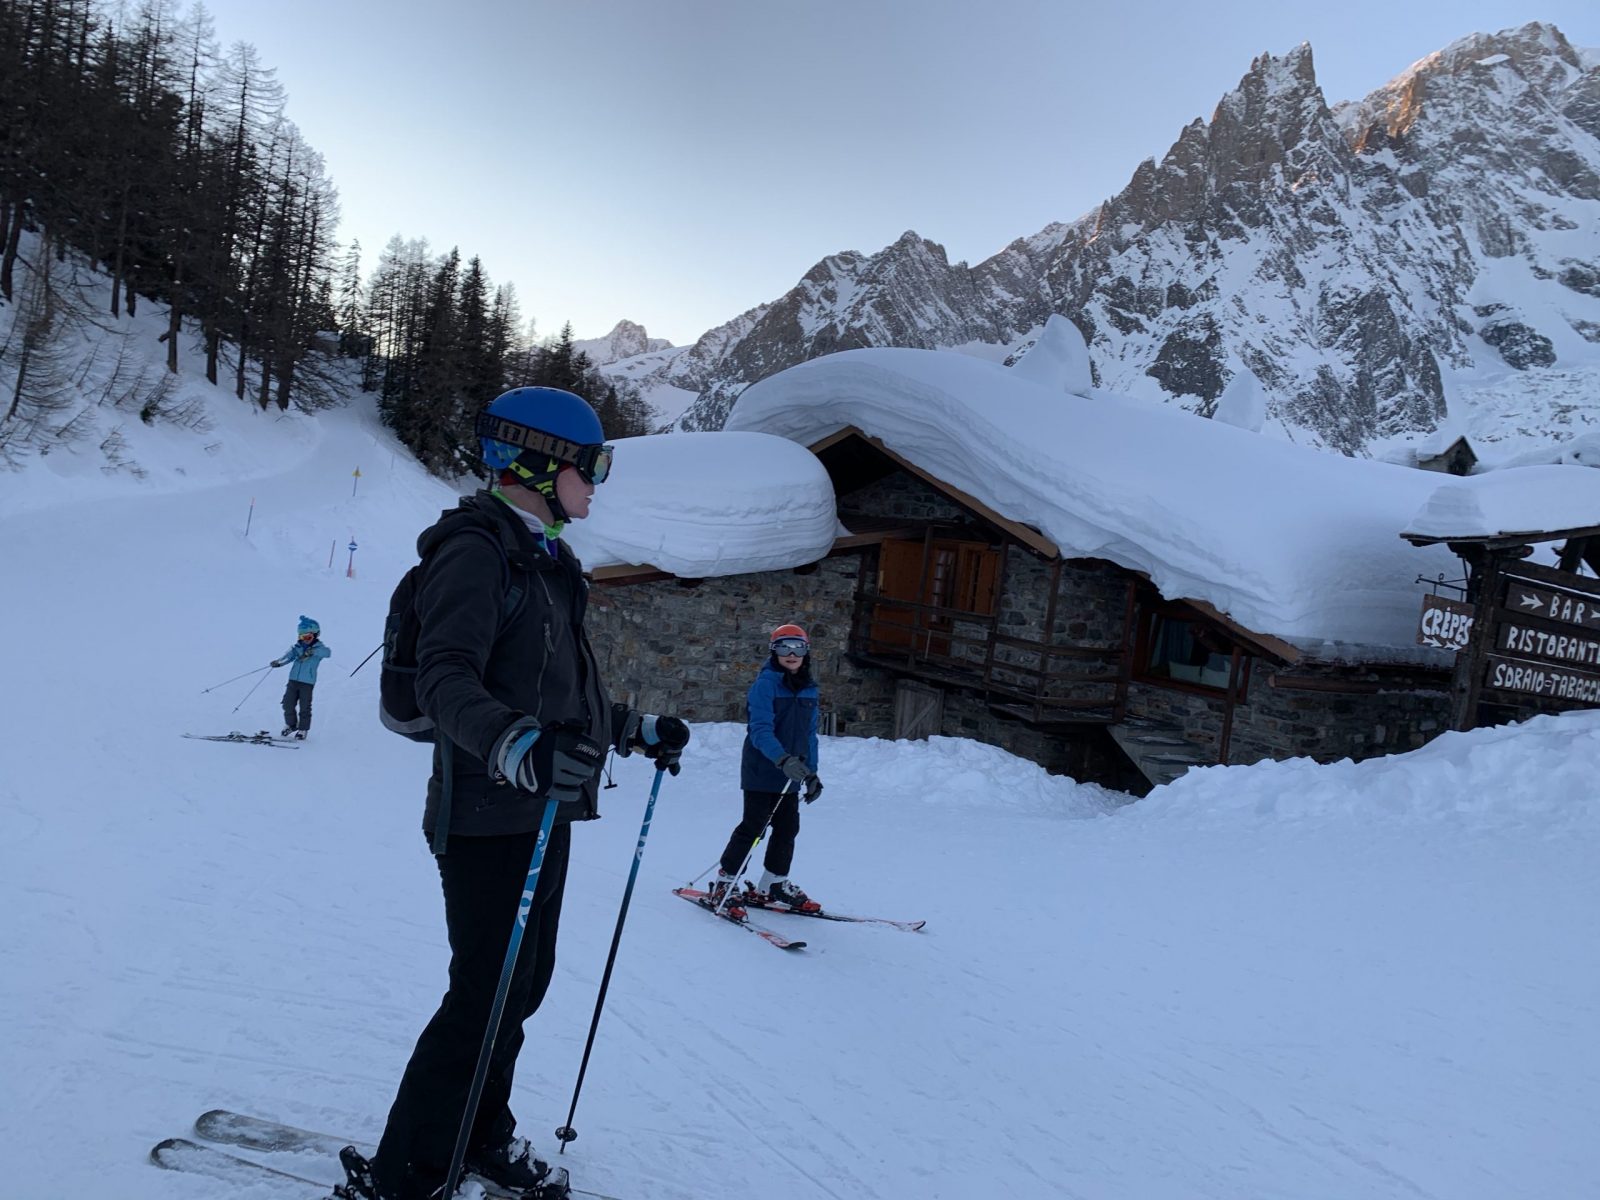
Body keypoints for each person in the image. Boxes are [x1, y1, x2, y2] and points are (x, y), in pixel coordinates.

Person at [342, 387, 690, 1200]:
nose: (598, 483)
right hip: (485, 810)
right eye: (592, 465)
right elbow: (443, 678)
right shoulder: (476, 551)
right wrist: (514, 745)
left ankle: (480, 1135)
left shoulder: (546, 558)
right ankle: (407, 1174)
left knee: (519, 989)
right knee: (482, 995)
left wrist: (630, 729)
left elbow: (558, 692)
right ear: (539, 463)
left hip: (541, 808)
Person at [711, 623, 824, 915]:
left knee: (788, 827)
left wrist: (811, 773)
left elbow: (810, 734)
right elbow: (760, 730)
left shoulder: (809, 687)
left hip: (794, 772)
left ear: (806, 652)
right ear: (774, 652)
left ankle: (773, 882)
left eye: (797, 647)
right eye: (784, 647)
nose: (791, 654)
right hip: (763, 768)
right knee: (754, 826)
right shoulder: (766, 684)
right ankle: (725, 881)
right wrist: (783, 760)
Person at [271, 616, 330, 739]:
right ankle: (291, 725)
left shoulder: (319, 648)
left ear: (315, 635)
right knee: (287, 703)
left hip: (307, 683)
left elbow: (327, 652)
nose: (304, 640)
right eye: (301, 637)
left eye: (308, 637)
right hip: (293, 680)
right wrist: (279, 662)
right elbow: (288, 657)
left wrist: (312, 652)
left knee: (304, 706)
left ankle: (303, 729)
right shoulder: (297, 648)